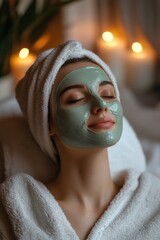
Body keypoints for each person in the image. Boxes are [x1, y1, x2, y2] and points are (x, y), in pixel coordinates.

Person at [0, 40, 160, 240]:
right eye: (76, 99)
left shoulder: (154, 201)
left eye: (108, 95)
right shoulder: (18, 208)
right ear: (48, 122)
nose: (101, 105)